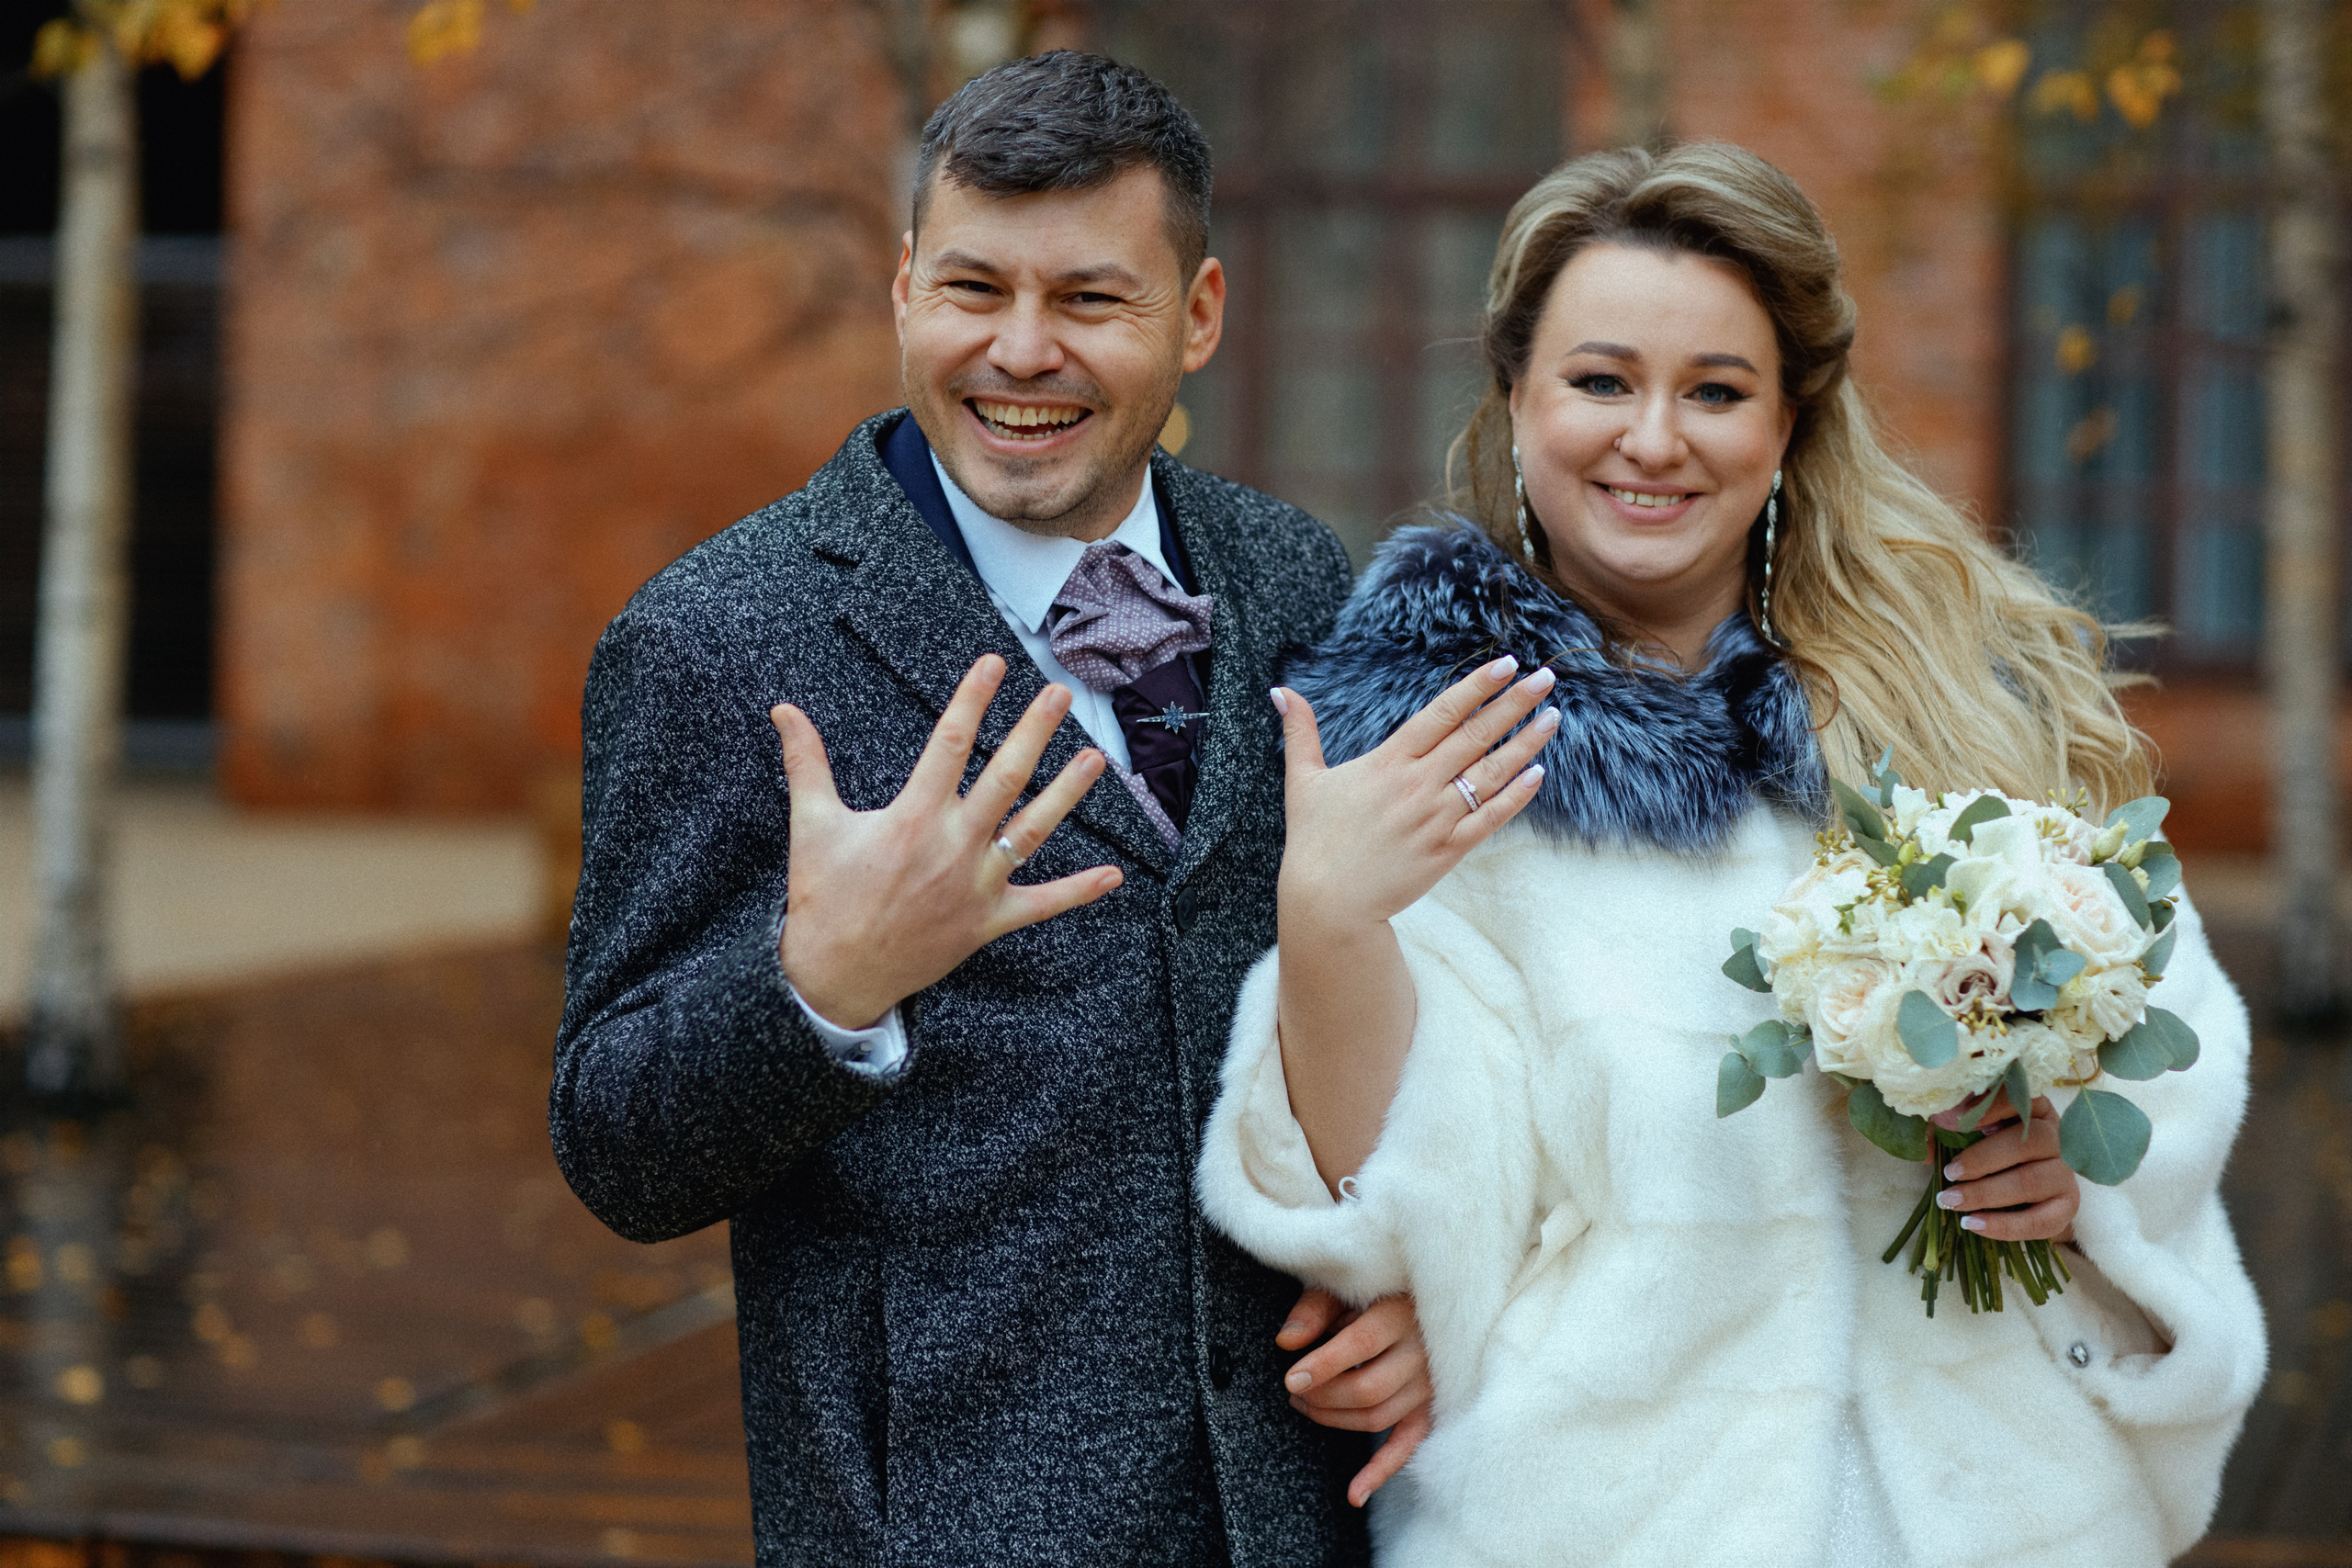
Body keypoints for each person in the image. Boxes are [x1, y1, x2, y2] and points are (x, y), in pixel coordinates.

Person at [1197, 141, 2265, 1567]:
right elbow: (1420, 1206)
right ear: (1516, 397)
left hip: (1997, 1521)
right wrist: (1331, 919)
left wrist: (2073, 1188)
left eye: (1715, 390)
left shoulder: (1961, 722)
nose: (1654, 439)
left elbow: (2169, 1050)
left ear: (1785, 428)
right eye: (1600, 381)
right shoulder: (1433, 753)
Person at [551, 51, 1430, 1567]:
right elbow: (617, 1148)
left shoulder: (1290, 575)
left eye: (1091, 300)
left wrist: (1429, 1282)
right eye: (973, 290)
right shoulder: (714, 643)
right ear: (904, 292)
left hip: (1301, 1511)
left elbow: (1394, 1004)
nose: (1021, 352)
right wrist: (821, 986)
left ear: (1199, 316)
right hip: (936, 1526)